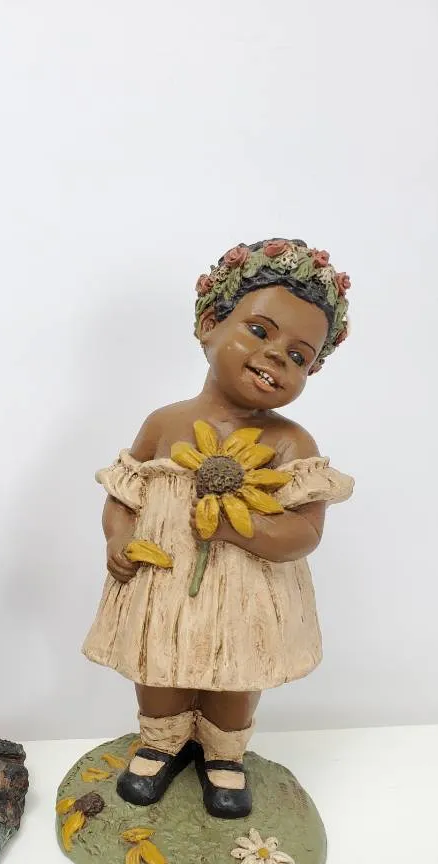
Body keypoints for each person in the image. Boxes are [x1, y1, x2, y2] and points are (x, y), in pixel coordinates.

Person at [83, 240, 353, 819]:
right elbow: (123, 494)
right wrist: (117, 538)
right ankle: (160, 742)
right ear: (209, 325)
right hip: (162, 581)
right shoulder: (164, 423)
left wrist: (239, 530)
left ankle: (224, 755)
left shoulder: (291, 444)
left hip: (245, 595)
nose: (277, 357)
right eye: (259, 331)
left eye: (299, 356)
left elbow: (304, 533)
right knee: (159, 662)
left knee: (234, 670)